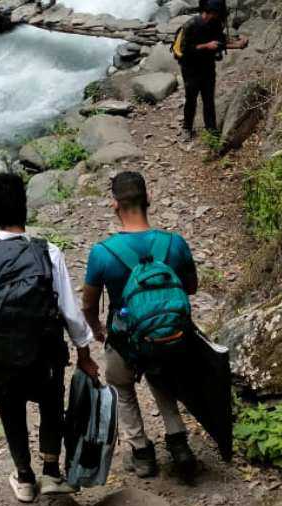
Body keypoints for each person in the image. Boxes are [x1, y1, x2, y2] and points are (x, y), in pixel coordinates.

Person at [0, 173, 99, 503]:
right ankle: (52, 473)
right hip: (43, 355)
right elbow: (70, 312)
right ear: (24, 206)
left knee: (9, 406)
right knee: (52, 401)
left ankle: (24, 478)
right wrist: (84, 353)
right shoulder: (47, 252)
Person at [82, 171, 200, 480]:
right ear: (148, 200)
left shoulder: (102, 253)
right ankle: (178, 444)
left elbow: (89, 305)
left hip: (123, 339)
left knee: (122, 388)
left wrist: (97, 330)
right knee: (162, 379)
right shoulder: (174, 244)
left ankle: (142, 454)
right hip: (168, 337)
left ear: (114, 206)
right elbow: (190, 287)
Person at [172, 0, 233, 141]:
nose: (216, 17)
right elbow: (185, 50)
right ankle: (187, 129)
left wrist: (222, 45)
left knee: (209, 99)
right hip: (190, 68)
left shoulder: (216, 23)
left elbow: (220, 40)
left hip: (208, 67)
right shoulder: (190, 25)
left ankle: (211, 131)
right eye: (214, 14)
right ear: (208, 12)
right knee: (191, 99)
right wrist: (206, 46)